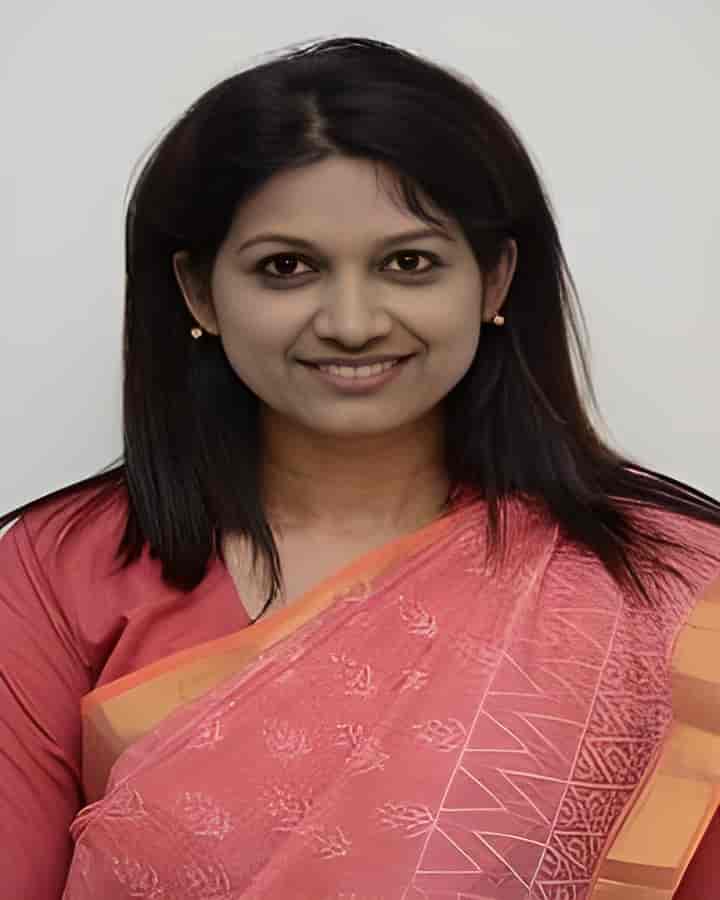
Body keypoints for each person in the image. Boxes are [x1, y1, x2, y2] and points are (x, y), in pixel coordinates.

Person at [1, 35, 718, 900]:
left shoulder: (662, 586)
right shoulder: (59, 573)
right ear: (199, 293)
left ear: (494, 281)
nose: (352, 322)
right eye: (287, 268)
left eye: (408, 264)